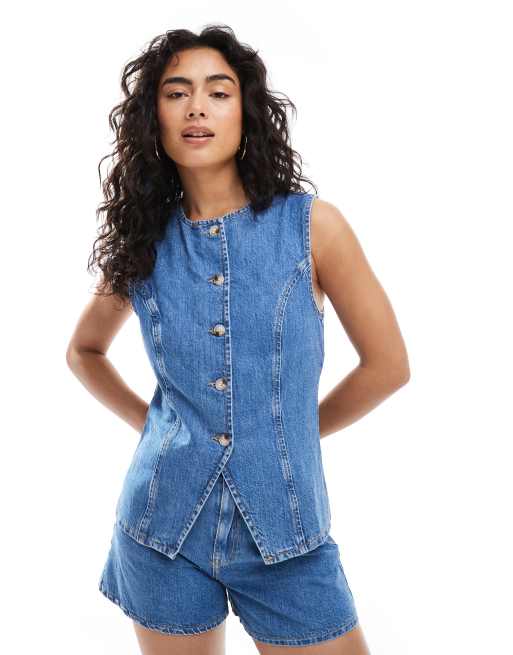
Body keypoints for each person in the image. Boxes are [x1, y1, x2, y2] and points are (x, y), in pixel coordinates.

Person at [66, 25, 409, 655]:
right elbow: (83, 352)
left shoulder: (312, 227)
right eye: (177, 93)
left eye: (218, 93)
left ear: (246, 113)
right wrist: (156, 426)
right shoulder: (142, 241)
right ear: (153, 119)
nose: (197, 107)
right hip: (162, 531)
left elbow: (388, 365)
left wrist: (288, 431)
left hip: (288, 534)